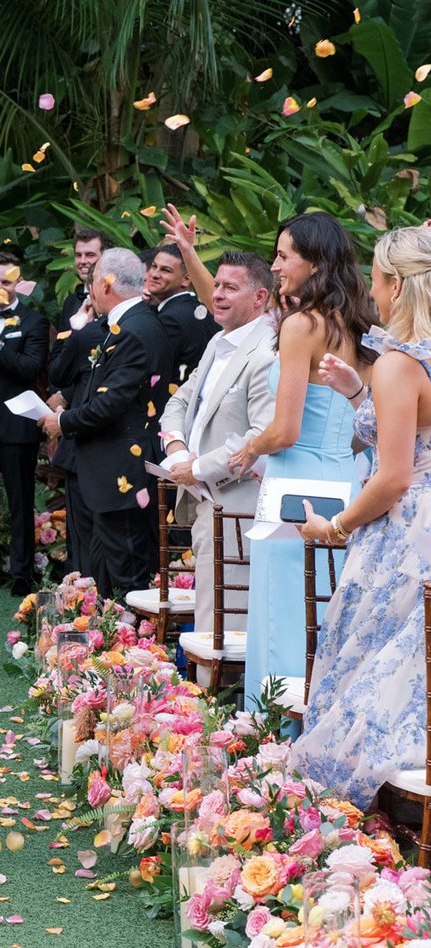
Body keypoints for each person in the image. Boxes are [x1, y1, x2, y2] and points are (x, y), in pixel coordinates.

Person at [290, 226, 431, 807]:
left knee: (372, 657)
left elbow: (394, 475)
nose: (370, 292)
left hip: (404, 533)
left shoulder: (400, 364)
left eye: (375, 279)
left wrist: (335, 527)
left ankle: (374, 800)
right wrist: (357, 395)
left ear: (396, 285)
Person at [228, 212, 375, 710]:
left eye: (283, 255)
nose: (275, 266)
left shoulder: (302, 325)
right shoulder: (356, 320)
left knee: (283, 615)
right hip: (344, 484)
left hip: (293, 487)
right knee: (328, 614)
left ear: (313, 263)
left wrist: (250, 447)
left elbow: (285, 430)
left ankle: (274, 743)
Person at [40, 248, 173, 598]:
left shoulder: (133, 330)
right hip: (114, 469)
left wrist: (62, 423)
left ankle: (140, 648)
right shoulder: (129, 323)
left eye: (94, 280)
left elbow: (110, 403)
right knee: (108, 568)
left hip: (123, 471)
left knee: (129, 572)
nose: (91, 289)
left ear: (107, 284)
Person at [158, 252, 277, 636]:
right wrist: (176, 447)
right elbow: (178, 401)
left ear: (260, 298)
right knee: (212, 614)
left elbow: (260, 435)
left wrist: (195, 468)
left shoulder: (266, 353)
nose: (218, 295)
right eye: (217, 286)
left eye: (230, 287)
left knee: (228, 624)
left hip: (237, 505)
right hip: (205, 500)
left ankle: (219, 697)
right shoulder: (216, 342)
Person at [0, 250, 48, 594]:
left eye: (6, 281)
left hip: (17, 424)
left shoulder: (34, 322)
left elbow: (31, 370)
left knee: (20, 501)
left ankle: (21, 572)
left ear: (19, 282)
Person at [48, 226, 109, 576]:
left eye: (92, 255)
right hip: (71, 421)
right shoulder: (74, 301)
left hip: (96, 418)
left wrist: (67, 396)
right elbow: (61, 361)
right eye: (80, 255)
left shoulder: (124, 305)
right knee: (77, 529)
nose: (84, 262)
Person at [143, 243, 219, 389]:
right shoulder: (201, 308)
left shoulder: (170, 319)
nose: (155, 274)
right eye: (154, 266)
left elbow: (154, 368)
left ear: (186, 279)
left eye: (166, 270)